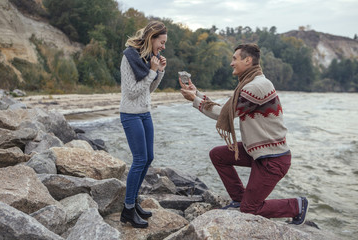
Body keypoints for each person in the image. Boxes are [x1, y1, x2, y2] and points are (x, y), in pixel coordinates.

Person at [179, 43, 308, 225]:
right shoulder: (250, 83)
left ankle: (296, 205)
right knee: (218, 155)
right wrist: (197, 93)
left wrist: (195, 100)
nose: (231, 63)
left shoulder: (256, 86)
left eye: (234, 59)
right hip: (256, 151)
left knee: (250, 210)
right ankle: (239, 198)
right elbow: (226, 109)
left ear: (247, 60)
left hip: (272, 159)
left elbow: (225, 114)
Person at [119, 21, 167, 228]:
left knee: (149, 158)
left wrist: (160, 71)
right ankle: (127, 209)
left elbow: (149, 89)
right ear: (152, 38)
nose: (163, 47)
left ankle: (134, 201)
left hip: (145, 114)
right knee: (139, 159)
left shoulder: (148, 59)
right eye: (162, 42)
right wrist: (151, 72)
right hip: (130, 114)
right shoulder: (129, 57)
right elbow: (132, 91)